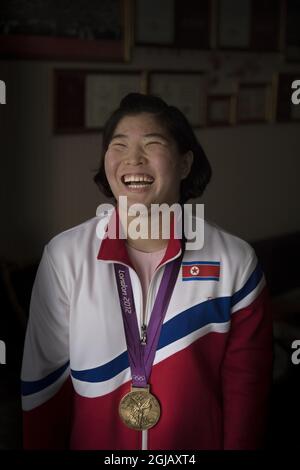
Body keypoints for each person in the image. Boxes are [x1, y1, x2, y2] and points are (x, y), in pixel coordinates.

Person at [21, 93, 273, 450]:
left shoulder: (235, 262)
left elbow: (246, 393)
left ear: (185, 163)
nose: (133, 159)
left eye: (152, 144)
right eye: (118, 145)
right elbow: (42, 386)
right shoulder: (64, 257)